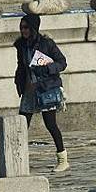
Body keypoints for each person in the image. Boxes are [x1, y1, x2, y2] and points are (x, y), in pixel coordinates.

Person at [14, 14, 69, 172]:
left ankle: (62, 159)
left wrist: (46, 68)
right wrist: (18, 80)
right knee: (21, 125)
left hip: (46, 89)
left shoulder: (46, 44)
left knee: (50, 124)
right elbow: (21, 66)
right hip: (29, 90)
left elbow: (62, 63)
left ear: (33, 28)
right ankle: (17, 160)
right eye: (21, 27)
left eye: (26, 27)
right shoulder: (21, 45)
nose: (23, 30)